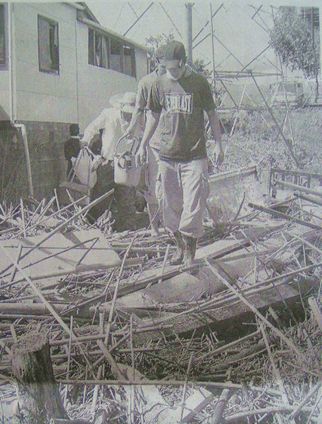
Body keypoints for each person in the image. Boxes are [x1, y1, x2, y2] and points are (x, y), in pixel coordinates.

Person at [136, 40, 224, 266]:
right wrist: (142, 144)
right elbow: (153, 116)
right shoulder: (159, 84)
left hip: (195, 156)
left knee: (193, 205)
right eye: (166, 68)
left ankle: (189, 253)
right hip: (167, 156)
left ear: (183, 63)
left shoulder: (199, 83)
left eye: (174, 68)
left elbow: (212, 114)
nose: (170, 72)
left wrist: (219, 144)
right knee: (169, 205)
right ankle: (178, 246)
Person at [81, 92, 140, 231]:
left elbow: (146, 136)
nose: (129, 115)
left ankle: (127, 232)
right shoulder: (109, 114)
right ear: (121, 107)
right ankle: (92, 228)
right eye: (127, 112)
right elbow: (92, 126)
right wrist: (85, 139)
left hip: (127, 166)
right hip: (107, 163)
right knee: (100, 198)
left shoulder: (139, 119)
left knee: (127, 201)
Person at [125, 45, 166, 235]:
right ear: (157, 62)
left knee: (169, 187)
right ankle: (155, 227)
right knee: (151, 186)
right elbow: (139, 110)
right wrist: (131, 129)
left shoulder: (178, 81)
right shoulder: (147, 82)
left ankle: (170, 226)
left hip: (175, 143)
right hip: (153, 142)